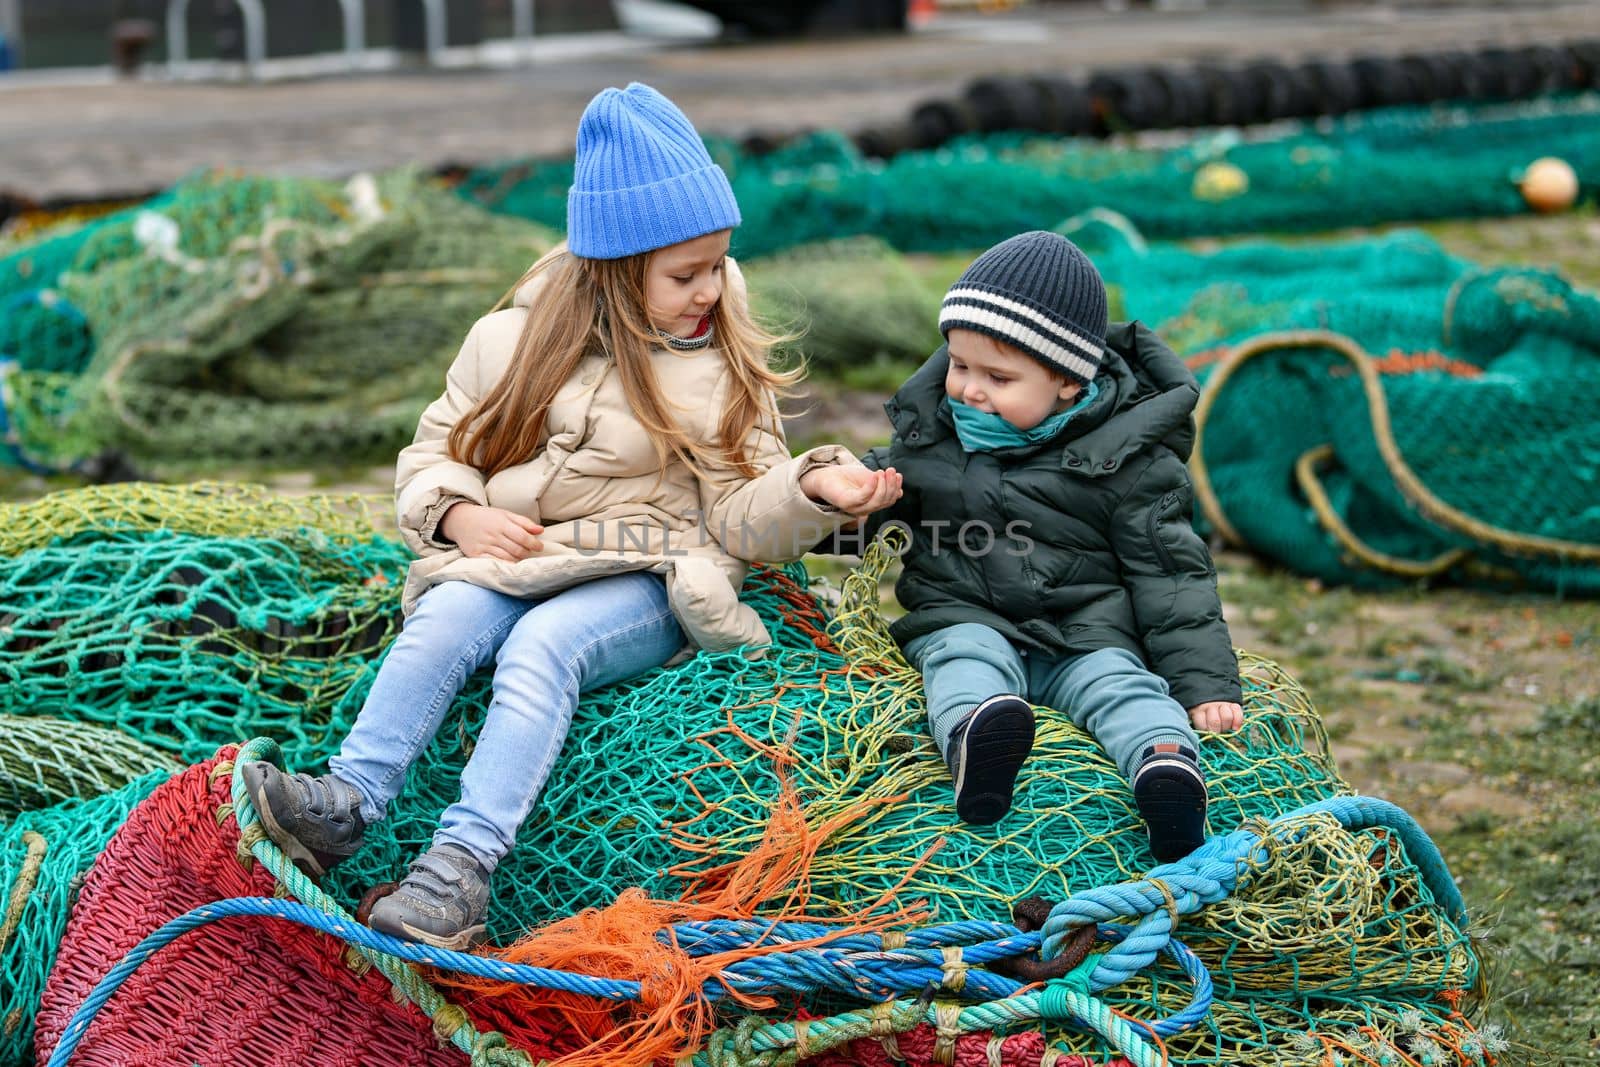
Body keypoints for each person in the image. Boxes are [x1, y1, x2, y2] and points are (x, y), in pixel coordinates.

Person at [242, 83, 900, 949]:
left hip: (651, 573)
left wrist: (812, 490)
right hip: (518, 555)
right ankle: (347, 802)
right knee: (445, 613)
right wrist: (457, 516)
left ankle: (460, 871)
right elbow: (433, 450)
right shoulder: (512, 337)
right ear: (617, 270)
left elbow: (743, 521)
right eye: (686, 272)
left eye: (717, 263)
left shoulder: (716, 363)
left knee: (541, 647)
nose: (711, 287)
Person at [819, 230, 1242, 862]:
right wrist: (840, 501)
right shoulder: (929, 440)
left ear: (1070, 383)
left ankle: (1165, 768)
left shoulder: (1127, 462)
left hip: (1086, 633)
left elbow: (1171, 576)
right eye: (959, 366)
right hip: (965, 613)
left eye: (998, 376)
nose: (969, 389)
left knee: (1121, 686)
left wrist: (1204, 683)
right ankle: (978, 734)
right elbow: (863, 523)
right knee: (962, 658)